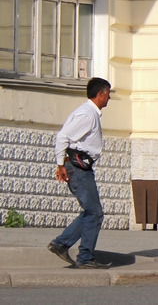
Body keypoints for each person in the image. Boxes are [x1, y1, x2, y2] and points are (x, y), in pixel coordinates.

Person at [49, 77, 113, 269]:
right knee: (94, 212)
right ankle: (82, 256)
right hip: (78, 169)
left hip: (80, 168)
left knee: (92, 212)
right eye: (108, 94)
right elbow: (63, 137)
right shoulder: (87, 114)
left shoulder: (89, 113)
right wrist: (60, 164)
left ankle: (63, 244)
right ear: (100, 93)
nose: (109, 98)